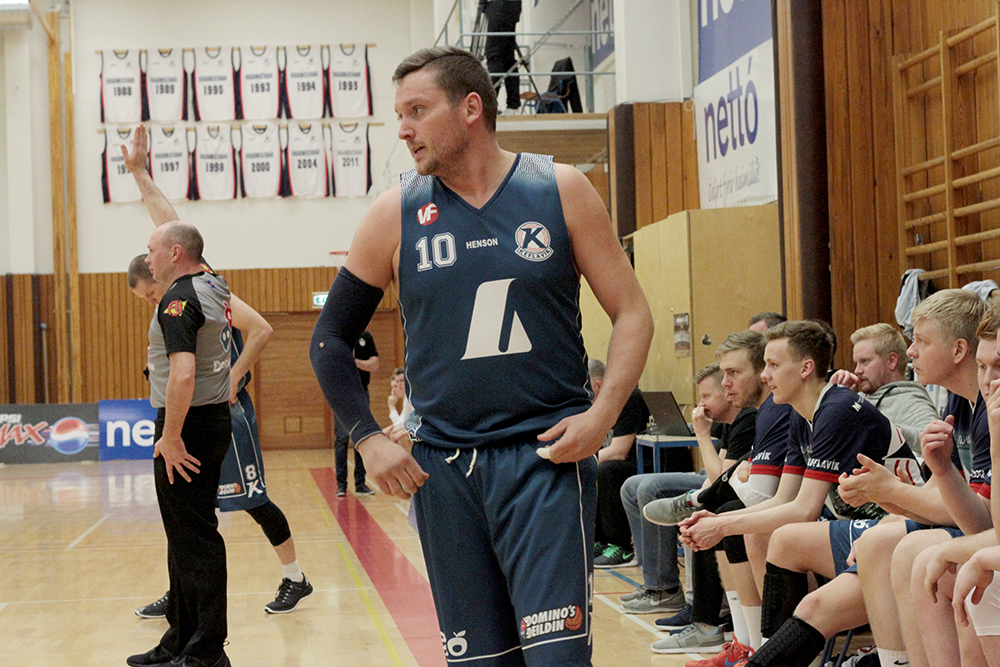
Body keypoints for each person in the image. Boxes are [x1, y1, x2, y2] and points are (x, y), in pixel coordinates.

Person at [310, 46, 653, 667]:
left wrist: (602, 416)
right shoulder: (395, 214)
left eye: (417, 110)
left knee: (557, 661)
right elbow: (330, 339)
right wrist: (368, 439)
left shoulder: (559, 189)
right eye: (399, 114)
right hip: (444, 472)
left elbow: (632, 312)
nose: (403, 129)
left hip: (544, 460)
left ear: (471, 107)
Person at [122, 124, 313, 618]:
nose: (152, 299)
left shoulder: (208, 289)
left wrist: (233, 376)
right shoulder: (176, 298)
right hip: (194, 411)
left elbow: (262, 329)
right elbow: (169, 227)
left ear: (174, 260)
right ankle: (181, 591)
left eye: (150, 293)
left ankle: (296, 577)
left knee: (253, 499)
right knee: (188, 510)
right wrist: (138, 172)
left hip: (226, 410)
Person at [678, 321, 919, 655]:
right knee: (758, 533)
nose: (765, 376)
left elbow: (804, 509)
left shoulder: (836, 410)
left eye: (773, 365)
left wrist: (721, 526)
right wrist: (719, 521)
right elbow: (784, 499)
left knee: (783, 538)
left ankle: (773, 654)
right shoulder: (800, 414)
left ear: (806, 368)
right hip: (859, 524)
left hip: (900, 523)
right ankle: (760, 649)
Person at [126, 222, 233, 667]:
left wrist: (170, 437)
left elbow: (183, 374)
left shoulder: (178, 300)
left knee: (195, 537)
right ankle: (180, 637)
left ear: (174, 253)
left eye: (152, 250)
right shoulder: (212, 284)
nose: (146, 259)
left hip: (187, 426)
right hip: (209, 420)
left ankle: (207, 650)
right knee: (183, 535)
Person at [830, 322, 939, 454]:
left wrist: (886, 430)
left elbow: (935, 442)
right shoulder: (858, 398)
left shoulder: (911, 400)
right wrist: (838, 400)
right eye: (856, 363)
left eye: (865, 361)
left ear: (892, 361)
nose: (857, 370)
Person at [590, 358, 651, 568]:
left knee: (606, 470)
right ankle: (599, 540)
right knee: (591, 469)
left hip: (645, 463)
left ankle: (621, 546)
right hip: (624, 463)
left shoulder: (628, 397)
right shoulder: (593, 406)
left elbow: (619, 451)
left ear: (598, 385)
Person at [334, 330, 379, 497]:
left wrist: (352, 361)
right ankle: (341, 485)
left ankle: (360, 484)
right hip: (341, 393)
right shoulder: (337, 337)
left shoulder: (365, 337)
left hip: (361, 392)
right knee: (341, 438)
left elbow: (374, 364)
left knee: (362, 437)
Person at [480, 0, 522, 112]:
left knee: (494, 56)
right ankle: (513, 104)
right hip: (511, 10)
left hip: (499, 9)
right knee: (507, 57)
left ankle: (490, 105)